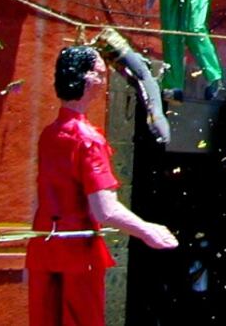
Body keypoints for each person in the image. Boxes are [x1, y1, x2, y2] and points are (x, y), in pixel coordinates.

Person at [26, 46, 178, 326]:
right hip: (78, 252)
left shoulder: (50, 134)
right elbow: (104, 210)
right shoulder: (88, 139)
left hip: (44, 248)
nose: (104, 78)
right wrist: (147, 230)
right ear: (88, 80)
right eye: (100, 73)